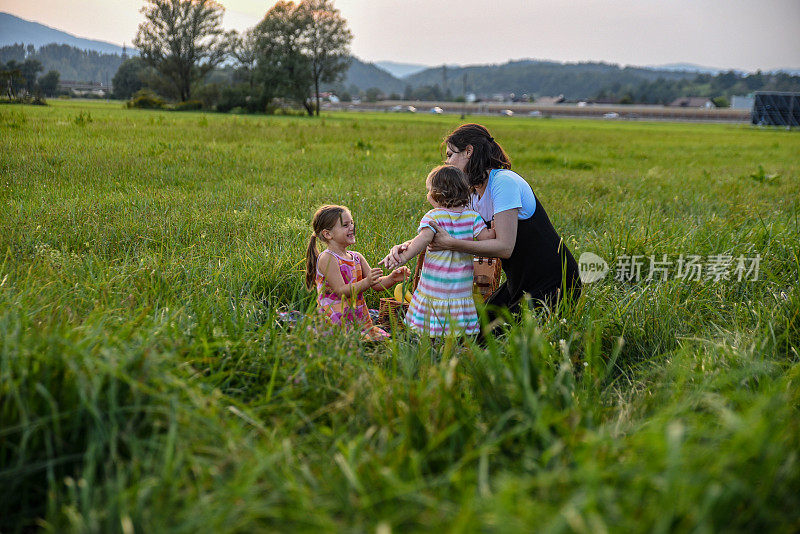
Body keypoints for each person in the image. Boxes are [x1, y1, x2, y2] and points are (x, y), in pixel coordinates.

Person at [387, 123, 581, 320]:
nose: (447, 162)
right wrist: (407, 246)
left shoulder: (503, 182)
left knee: (502, 340)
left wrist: (452, 245)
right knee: (477, 333)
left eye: (449, 154)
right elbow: (445, 226)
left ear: (468, 151)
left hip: (555, 281)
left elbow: (505, 248)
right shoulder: (471, 194)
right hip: (519, 282)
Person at [380, 165, 495, 337]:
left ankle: (431, 346)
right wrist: (495, 222)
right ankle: (454, 348)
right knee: (455, 330)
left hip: (434, 288)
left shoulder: (433, 217)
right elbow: (488, 238)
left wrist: (401, 258)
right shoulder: (473, 217)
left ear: (437, 194)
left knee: (429, 328)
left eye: (428, 190)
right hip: (460, 289)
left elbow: (421, 242)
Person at [306, 204, 409, 341]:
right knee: (351, 339)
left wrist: (392, 278)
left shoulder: (357, 257)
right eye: (345, 225)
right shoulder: (327, 258)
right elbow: (341, 291)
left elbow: (376, 285)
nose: (352, 227)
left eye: (352, 223)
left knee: (372, 338)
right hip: (334, 319)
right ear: (328, 234)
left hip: (357, 316)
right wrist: (366, 282)